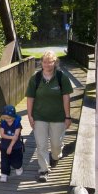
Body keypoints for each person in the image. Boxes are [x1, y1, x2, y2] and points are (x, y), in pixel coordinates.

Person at [25, 50, 74, 182]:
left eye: (50, 62)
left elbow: (66, 97)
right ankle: (43, 170)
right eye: (45, 62)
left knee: (56, 145)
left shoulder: (61, 77)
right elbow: (30, 98)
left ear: (55, 63)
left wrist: (68, 116)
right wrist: (30, 116)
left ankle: (55, 156)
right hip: (39, 116)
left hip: (58, 117)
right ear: (41, 63)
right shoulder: (35, 78)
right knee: (41, 145)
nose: (47, 64)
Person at [0, 105, 24, 183]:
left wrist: (10, 146)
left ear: (13, 117)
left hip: (16, 147)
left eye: (9, 118)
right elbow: (2, 135)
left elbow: (16, 136)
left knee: (16, 162)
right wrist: (12, 137)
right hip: (4, 146)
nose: (7, 120)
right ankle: (4, 174)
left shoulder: (17, 124)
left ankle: (18, 167)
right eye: (5, 118)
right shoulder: (3, 123)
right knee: (4, 161)